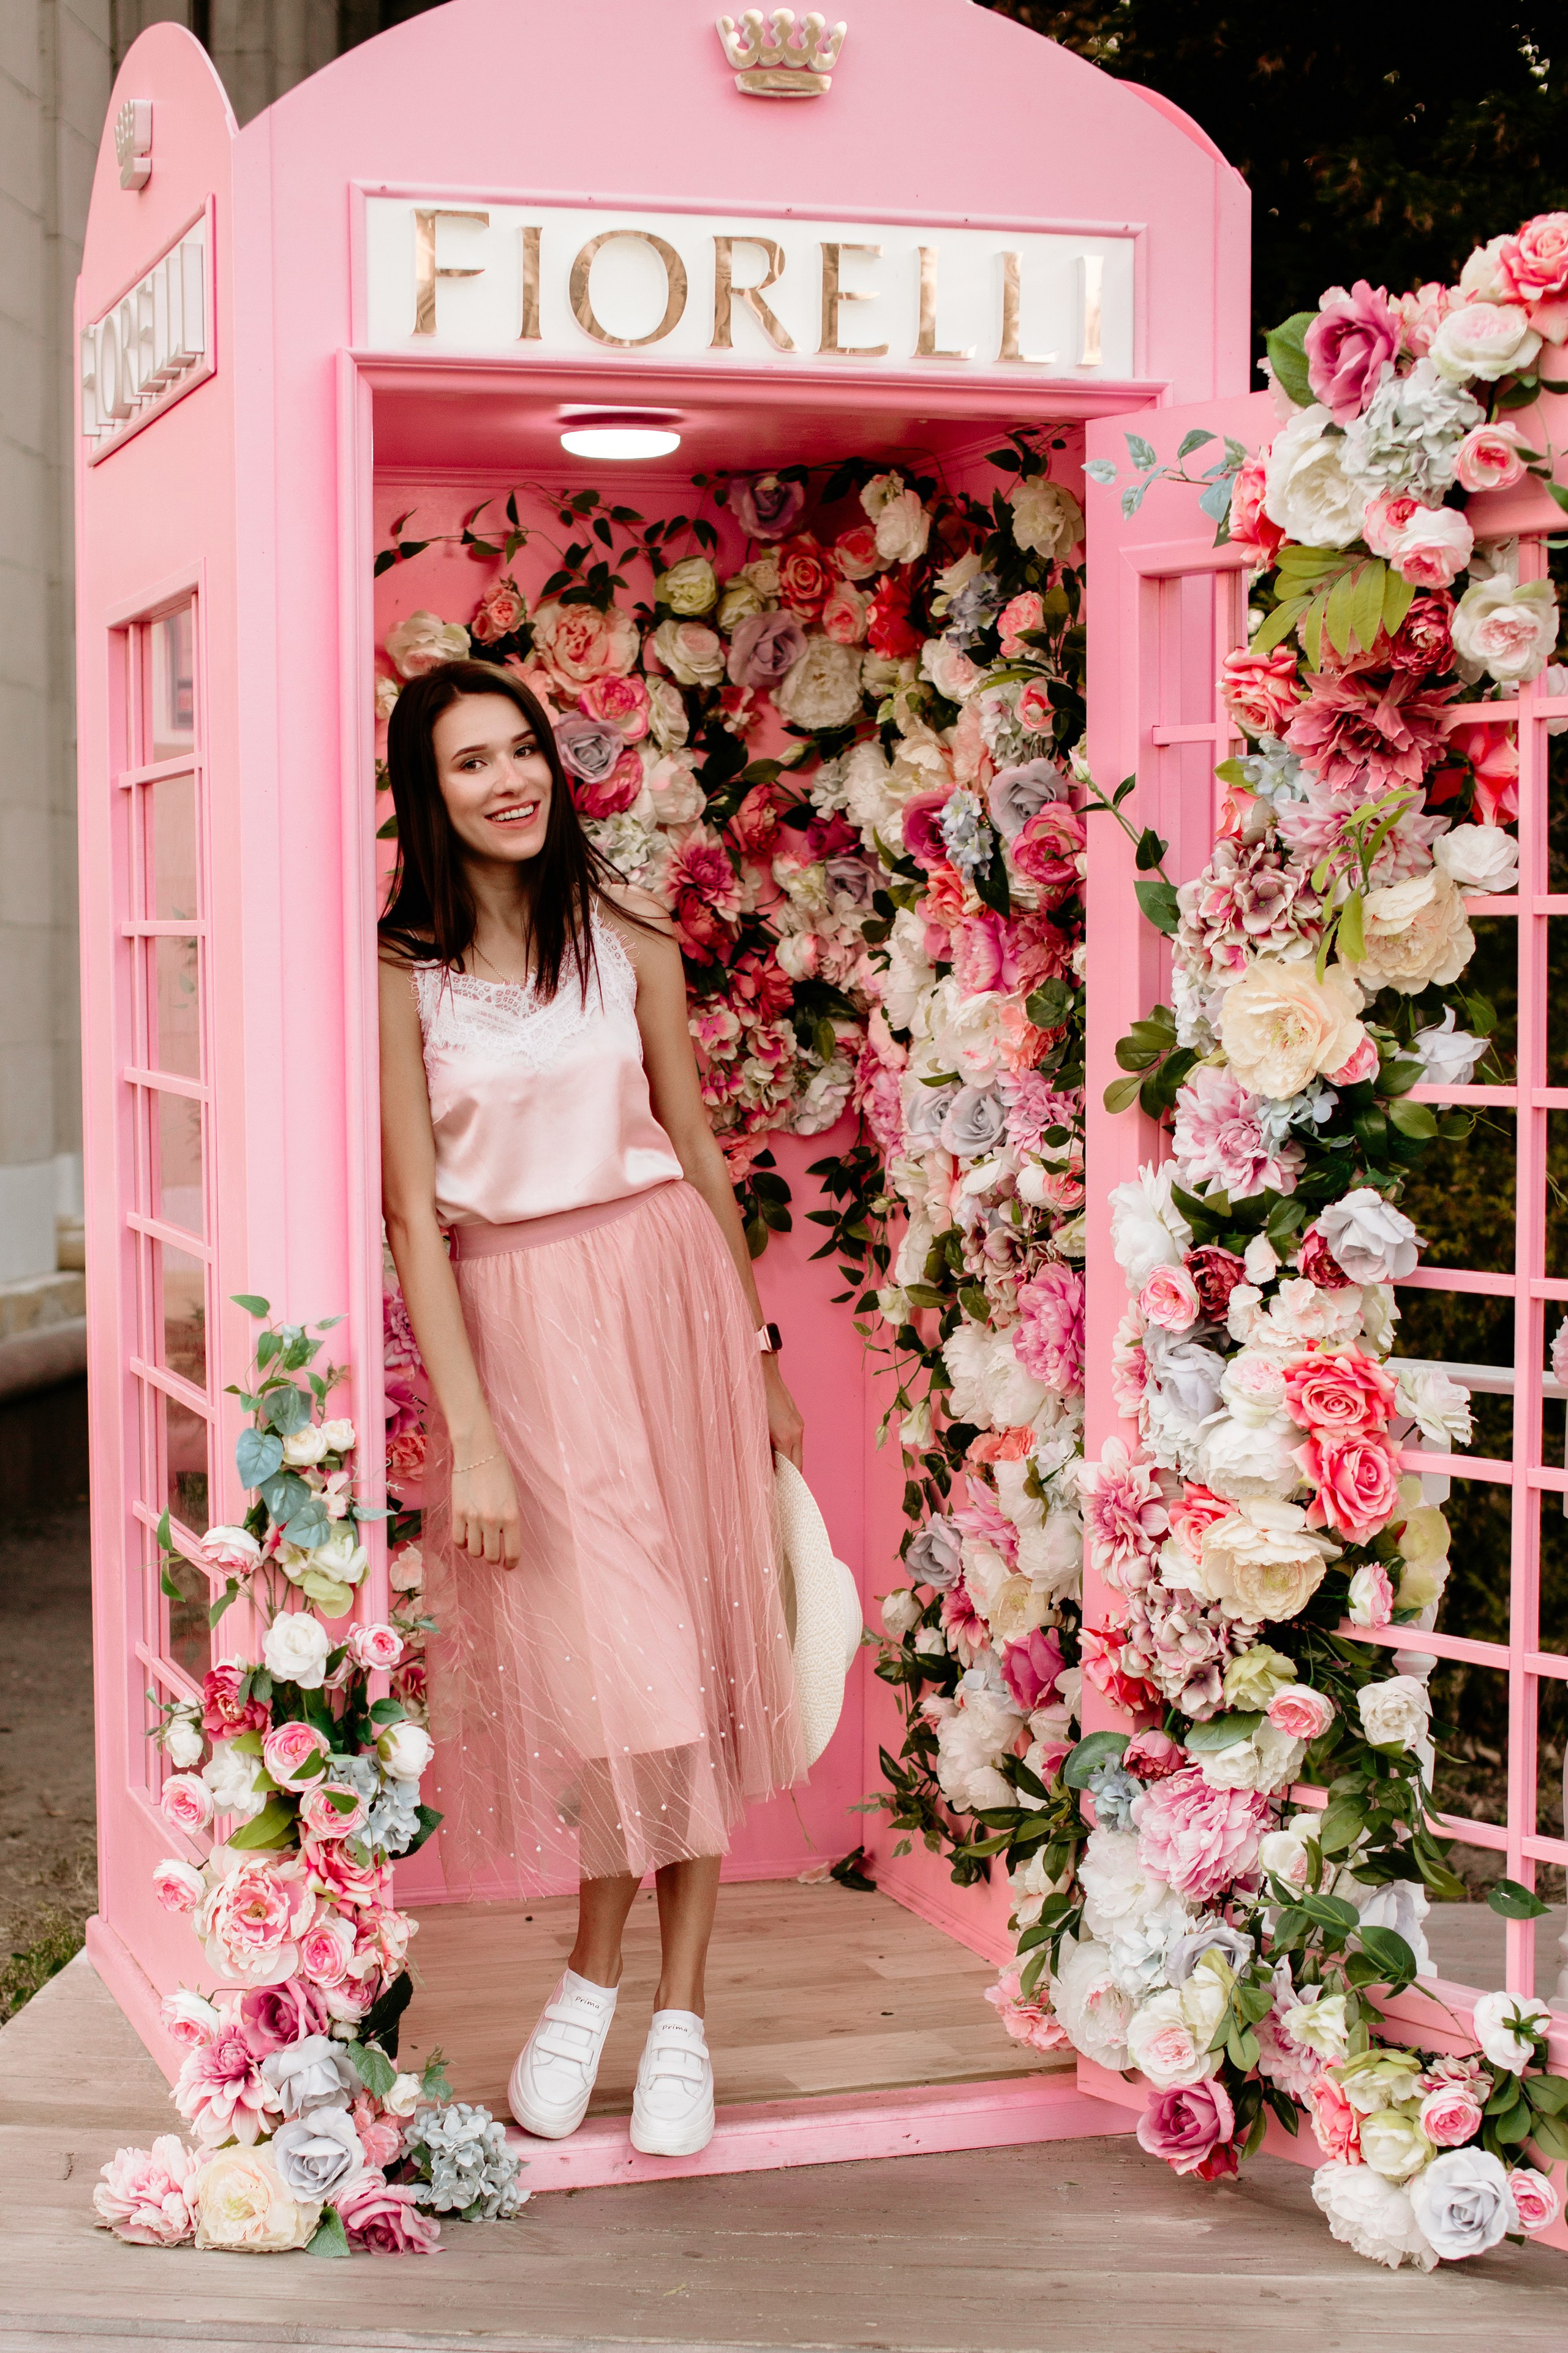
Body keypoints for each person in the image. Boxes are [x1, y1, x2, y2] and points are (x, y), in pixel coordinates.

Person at [378, 659, 805, 2159]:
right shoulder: (402, 974)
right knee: (626, 1673)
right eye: (469, 762)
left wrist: (757, 1352)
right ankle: (594, 1976)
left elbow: (693, 1142)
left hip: (666, 1294)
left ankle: (666, 2005)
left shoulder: (626, 937)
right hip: (522, 1328)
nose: (509, 780)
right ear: (427, 795)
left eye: (522, 750)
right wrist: (473, 1437)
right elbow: (414, 1218)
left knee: (690, 1654)